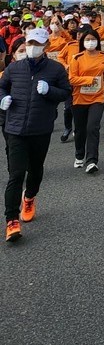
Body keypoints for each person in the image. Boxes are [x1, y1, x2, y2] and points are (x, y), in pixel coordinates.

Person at [0, 28, 71, 242]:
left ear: (45, 46)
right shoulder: (14, 68)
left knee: (36, 169)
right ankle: (11, 220)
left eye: (37, 44)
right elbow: (2, 87)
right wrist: (2, 98)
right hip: (15, 127)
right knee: (16, 174)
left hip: (40, 128)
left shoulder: (56, 69)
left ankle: (29, 197)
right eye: (29, 43)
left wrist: (49, 90)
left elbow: (67, 92)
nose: (32, 48)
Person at [68, 26, 104, 174]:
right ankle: (79, 154)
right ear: (83, 42)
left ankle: (92, 160)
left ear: (98, 41)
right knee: (80, 130)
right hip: (79, 98)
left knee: (92, 127)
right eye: (87, 40)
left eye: (93, 39)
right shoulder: (77, 58)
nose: (90, 42)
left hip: (97, 98)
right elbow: (72, 79)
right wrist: (89, 80)